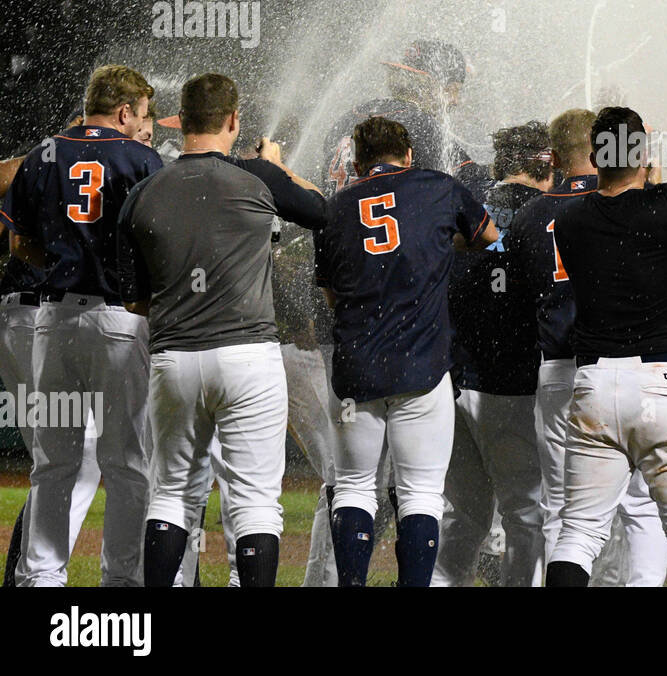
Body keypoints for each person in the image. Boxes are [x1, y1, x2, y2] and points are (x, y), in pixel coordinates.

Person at [118, 72, 327, 587]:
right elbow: (323, 210)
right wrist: (278, 167)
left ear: (181, 122)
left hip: (173, 358)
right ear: (233, 121)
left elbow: (133, 299)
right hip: (248, 357)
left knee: (169, 495)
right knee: (255, 501)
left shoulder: (142, 192)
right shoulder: (258, 177)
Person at [546, 107, 667, 587]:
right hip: (661, 385)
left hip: (593, 386)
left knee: (578, 535)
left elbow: (629, 219)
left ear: (594, 157)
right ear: (645, 156)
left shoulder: (570, 221)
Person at [315, 116, 497, 586]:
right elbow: (490, 238)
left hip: (354, 370)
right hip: (422, 366)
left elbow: (333, 295)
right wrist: (439, 245)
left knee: (353, 488)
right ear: (410, 154)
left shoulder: (335, 208)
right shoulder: (438, 187)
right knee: (420, 494)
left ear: (356, 163)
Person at [2, 65, 161, 587]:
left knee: (53, 464)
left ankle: (40, 580)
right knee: (126, 465)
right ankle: (121, 585)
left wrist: (62, 259)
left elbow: (19, 244)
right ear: (123, 112)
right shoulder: (140, 158)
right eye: (140, 114)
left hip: (50, 321)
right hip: (119, 319)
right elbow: (159, 243)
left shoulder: (44, 153)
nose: (143, 124)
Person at [510, 107, 667, 585]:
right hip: (636, 365)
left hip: (561, 371)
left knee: (564, 511)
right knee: (643, 508)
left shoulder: (531, 214)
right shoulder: (636, 202)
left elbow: (522, 302)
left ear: (555, 156)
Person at [434, 122, 551, 587]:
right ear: (544, 165)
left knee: (466, 514)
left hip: (450, 385)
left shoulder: (466, 209)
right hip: (511, 388)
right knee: (526, 515)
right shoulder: (544, 214)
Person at [322, 37, 487, 196]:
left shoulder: (347, 118)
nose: (455, 101)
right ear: (427, 85)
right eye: (451, 90)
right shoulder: (422, 125)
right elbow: (474, 183)